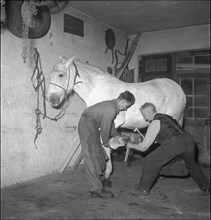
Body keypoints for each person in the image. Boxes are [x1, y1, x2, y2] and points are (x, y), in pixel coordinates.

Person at [127, 102, 210, 196]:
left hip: (176, 143)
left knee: (150, 160)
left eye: (144, 115)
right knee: (191, 164)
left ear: (147, 113)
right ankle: (206, 187)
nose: (145, 119)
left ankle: (143, 188)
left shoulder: (155, 123)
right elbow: (170, 132)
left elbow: (143, 147)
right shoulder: (166, 117)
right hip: (188, 140)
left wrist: (131, 145)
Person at [78, 91, 135, 199]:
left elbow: (110, 126)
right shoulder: (111, 108)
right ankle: (96, 188)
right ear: (122, 101)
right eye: (127, 106)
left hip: (91, 125)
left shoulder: (111, 106)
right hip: (87, 125)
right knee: (91, 157)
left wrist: (118, 136)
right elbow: (105, 128)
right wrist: (106, 142)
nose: (126, 108)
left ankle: (101, 178)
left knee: (99, 153)